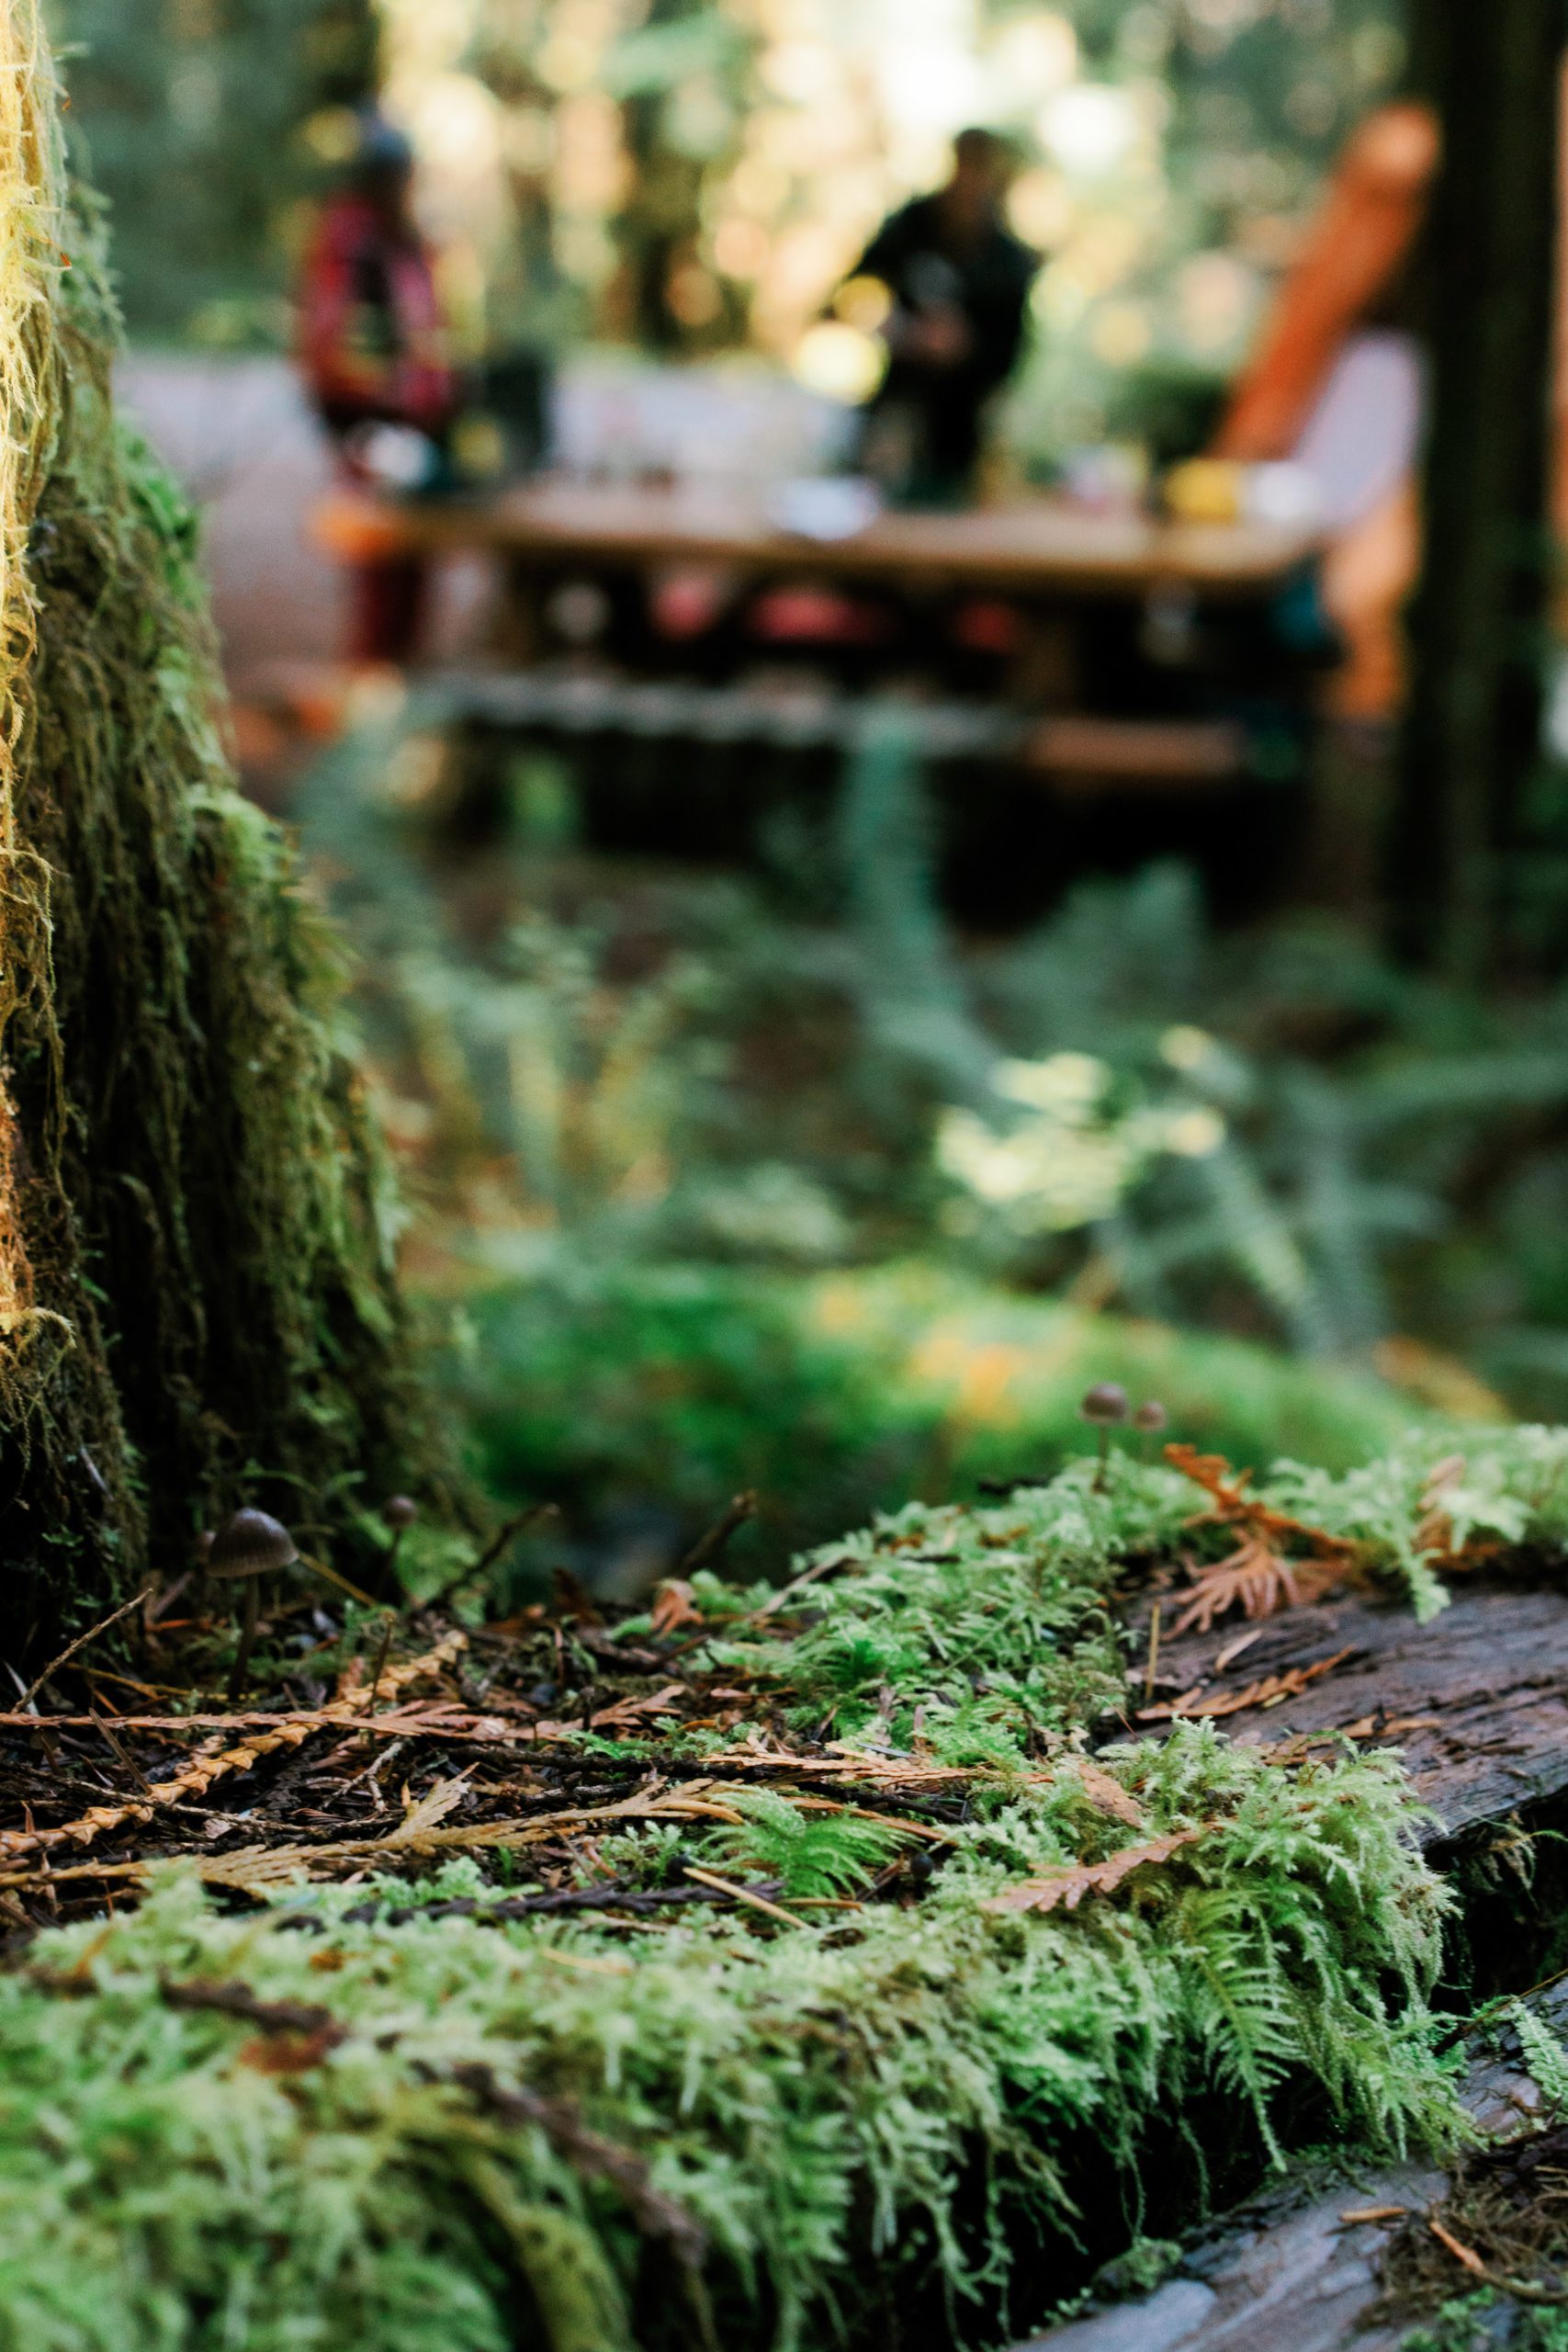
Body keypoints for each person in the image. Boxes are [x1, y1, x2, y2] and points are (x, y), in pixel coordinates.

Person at [298, 115, 457, 666]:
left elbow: (429, 333)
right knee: (382, 564)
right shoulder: (352, 245)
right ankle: (376, 679)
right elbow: (336, 347)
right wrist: (366, 418)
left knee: (414, 561)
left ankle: (400, 670)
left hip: (417, 427)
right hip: (373, 428)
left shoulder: (402, 242)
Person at [845, 128, 1037, 505]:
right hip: (891, 418)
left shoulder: (1009, 262)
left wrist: (964, 348)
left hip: (957, 435)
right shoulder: (910, 226)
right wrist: (893, 327)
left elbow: (1011, 360)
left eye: (981, 170)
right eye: (964, 166)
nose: (969, 180)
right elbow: (853, 289)